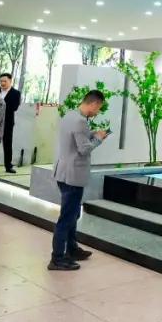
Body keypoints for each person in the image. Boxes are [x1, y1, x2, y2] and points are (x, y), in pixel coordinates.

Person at [49, 90, 110, 271]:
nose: (97, 112)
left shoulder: (69, 116)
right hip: (73, 175)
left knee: (73, 214)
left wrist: (91, 133)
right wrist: (99, 138)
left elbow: (74, 140)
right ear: (94, 104)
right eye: (98, 108)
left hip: (62, 171)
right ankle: (57, 258)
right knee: (67, 217)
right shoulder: (81, 121)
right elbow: (84, 149)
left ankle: (72, 248)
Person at [0, 73, 21, 174]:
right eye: (1, 81)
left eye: (5, 81)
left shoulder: (16, 93)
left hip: (7, 122)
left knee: (7, 144)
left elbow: (14, 107)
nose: (3, 83)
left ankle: (8, 166)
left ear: (10, 81)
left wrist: (0, 106)